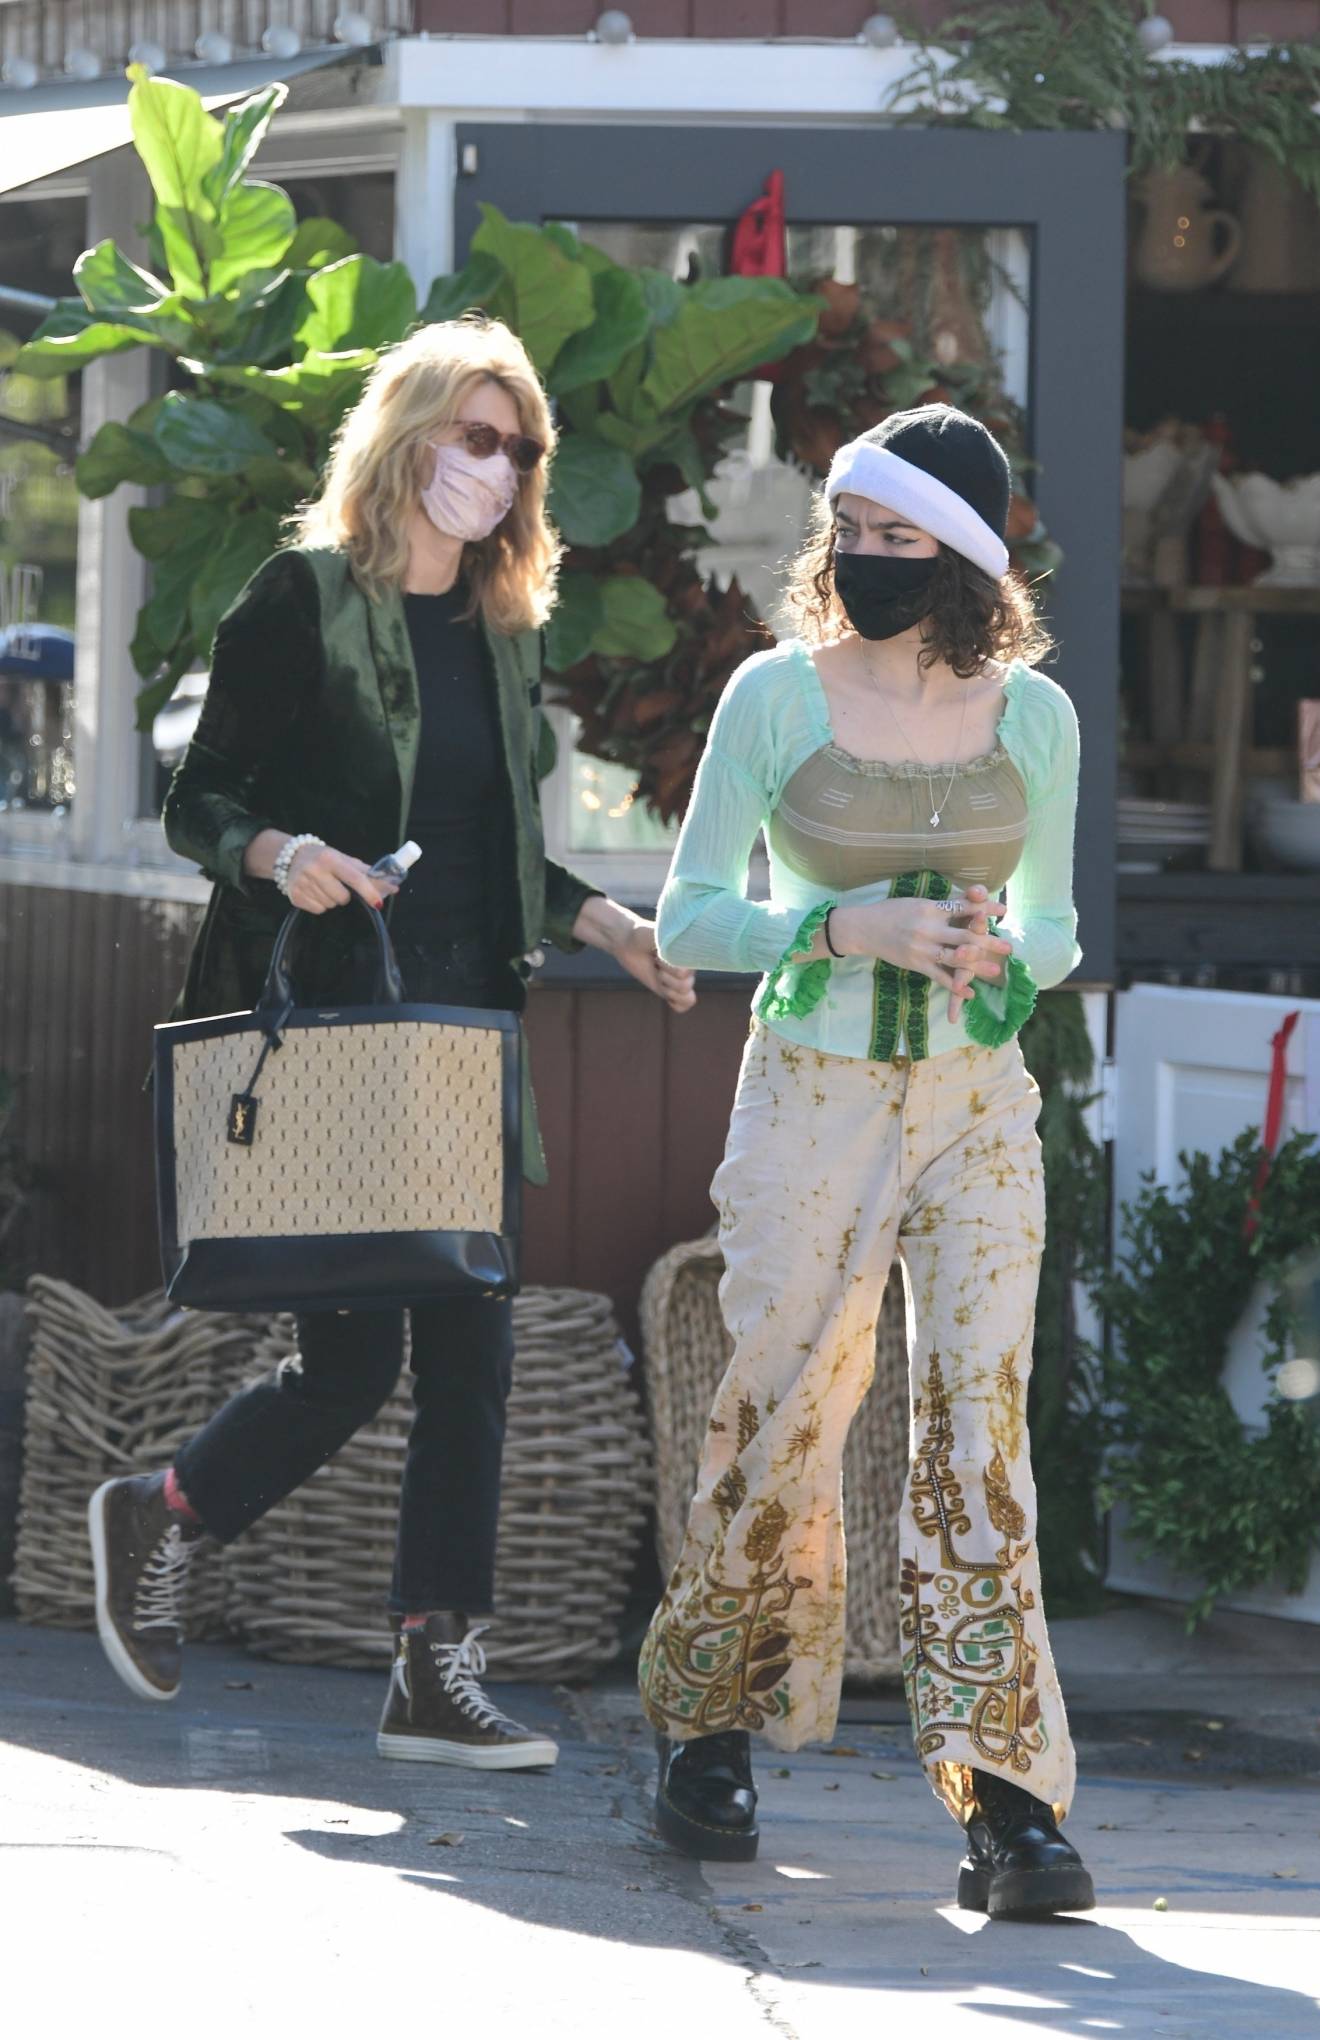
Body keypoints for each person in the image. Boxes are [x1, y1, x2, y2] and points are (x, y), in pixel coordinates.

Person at [88, 316, 695, 1768]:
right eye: (475, 436)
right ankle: (162, 1509)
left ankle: (435, 1668)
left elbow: (499, 852)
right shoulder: (298, 600)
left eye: (519, 449)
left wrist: (608, 922)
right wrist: (278, 847)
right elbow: (197, 800)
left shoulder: (500, 626)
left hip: (463, 1031)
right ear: (410, 431)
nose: (495, 469)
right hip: (342, 1031)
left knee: (470, 1350)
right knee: (354, 1364)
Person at [638, 405, 1095, 1918]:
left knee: (983, 1424)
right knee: (785, 1405)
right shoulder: (776, 697)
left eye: (904, 538)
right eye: (857, 534)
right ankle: (710, 1728)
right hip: (814, 1090)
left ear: (966, 553)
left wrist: (1002, 960)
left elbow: (1059, 925)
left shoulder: (1036, 717)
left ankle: (1009, 1799)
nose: (871, 562)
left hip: (978, 1101)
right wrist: (837, 925)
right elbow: (691, 915)